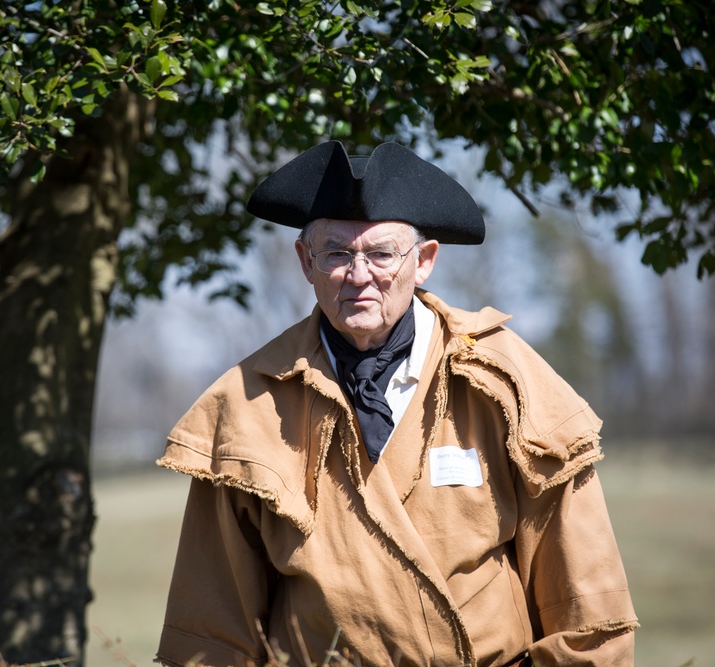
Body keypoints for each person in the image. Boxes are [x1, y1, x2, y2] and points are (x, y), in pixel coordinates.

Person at [154, 141, 638, 667]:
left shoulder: (506, 383)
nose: (359, 274)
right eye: (336, 252)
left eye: (381, 253)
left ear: (423, 261)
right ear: (305, 261)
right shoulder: (248, 403)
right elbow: (211, 635)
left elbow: (589, 615)